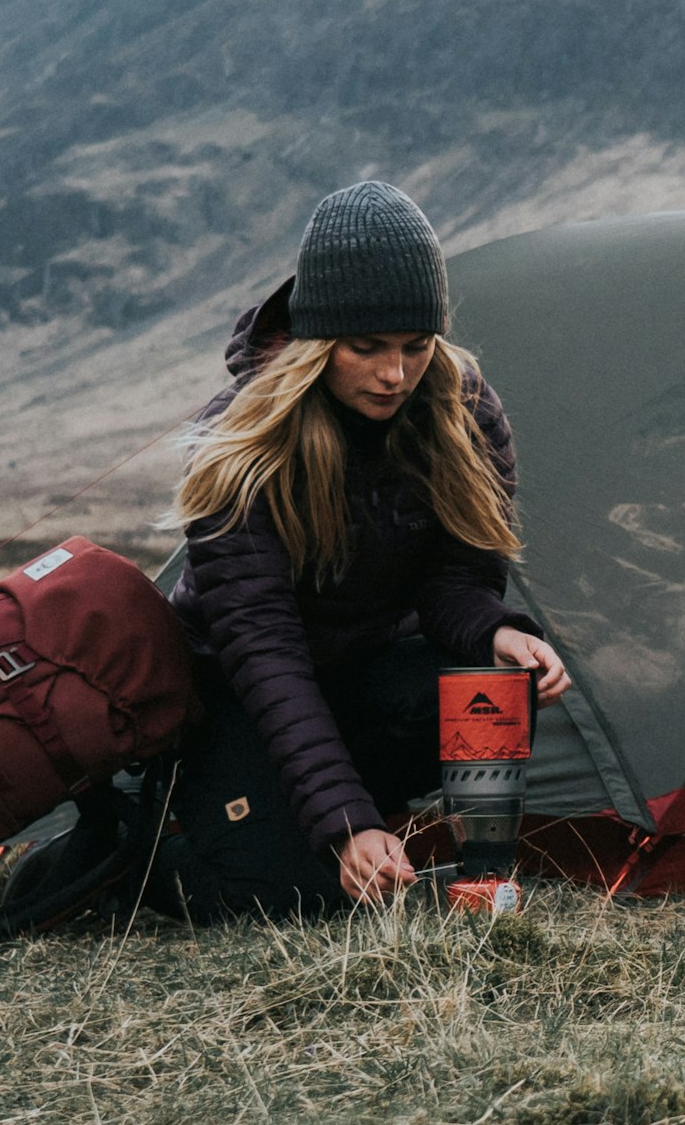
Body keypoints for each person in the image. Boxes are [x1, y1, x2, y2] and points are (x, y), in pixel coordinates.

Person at [160, 180, 568, 911]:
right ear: (319, 343)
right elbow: (263, 650)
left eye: (416, 346)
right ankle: (160, 850)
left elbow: (457, 587)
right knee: (288, 894)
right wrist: (346, 822)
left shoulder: (463, 409)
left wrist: (500, 629)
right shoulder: (241, 442)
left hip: (362, 679)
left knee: (491, 675)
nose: (395, 374)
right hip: (244, 701)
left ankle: (485, 881)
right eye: (367, 347)